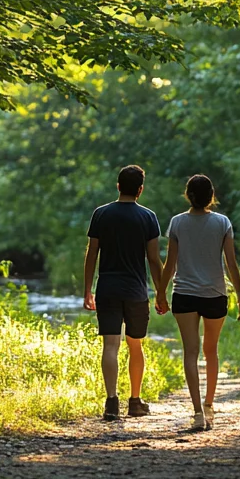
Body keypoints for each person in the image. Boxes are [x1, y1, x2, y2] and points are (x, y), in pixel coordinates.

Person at [155, 174, 240, 430]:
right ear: (211, 196)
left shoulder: (177, 223)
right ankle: (209, 405)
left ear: (188, 195)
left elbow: (169, 265)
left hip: (184, 294)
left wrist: (161, 293)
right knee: (211, 352)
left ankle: (196, 414)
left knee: (190, 353)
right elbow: (231, 264)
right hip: (216, 294)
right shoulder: (222, 222)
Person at [84, 164, 164, 421]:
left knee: (110, 345)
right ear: (140, 189)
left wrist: (88, 290)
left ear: (118, 186)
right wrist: (161, 292)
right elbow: (153, 260)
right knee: (135, 345)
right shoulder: (148, 217)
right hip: (136, 290)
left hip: (107, 288)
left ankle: (111, 402)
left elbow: (91, 254)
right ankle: (135, 401)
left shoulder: (101, 214)